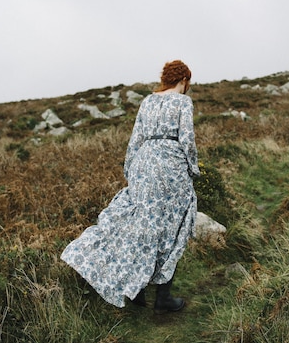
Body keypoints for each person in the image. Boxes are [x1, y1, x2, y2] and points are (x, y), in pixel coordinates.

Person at [60, 60, 200, 314]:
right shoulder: (183, 102)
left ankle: (136, 290)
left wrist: (131, 170)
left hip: (144, 163)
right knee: (171, 227)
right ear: (184, 80)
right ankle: (163, 298)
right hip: (171, 165)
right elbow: (187, 139)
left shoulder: (147, 101)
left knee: (143, 223)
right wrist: (193, 168)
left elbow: (135, 138)